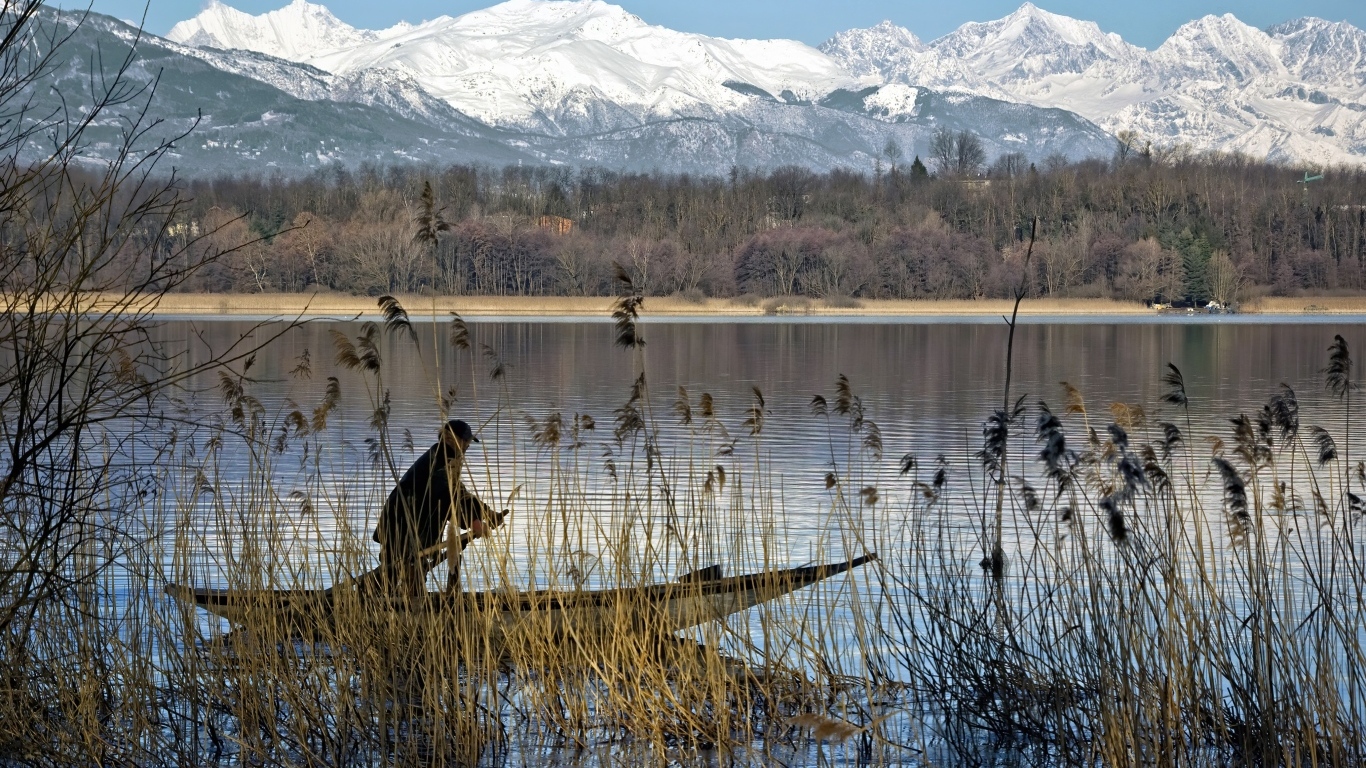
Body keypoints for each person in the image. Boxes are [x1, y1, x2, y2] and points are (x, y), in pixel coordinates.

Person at [373, 419, 501, 596]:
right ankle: (387, 604)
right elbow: (447, 496)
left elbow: (458, 492)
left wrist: (485, 512)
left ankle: (383, 600)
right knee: (404, 570)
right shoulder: (440, 460)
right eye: (466, 441)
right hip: (405, 526)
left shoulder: (443, 457)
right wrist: (474, 521)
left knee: (402, 572)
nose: (468, 446)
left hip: (404, 524)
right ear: (451, 439)